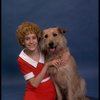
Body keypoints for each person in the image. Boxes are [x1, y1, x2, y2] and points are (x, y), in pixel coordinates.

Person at [16, 22, 68, 100]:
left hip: (50, 88)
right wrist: (46, 65)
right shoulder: (21, 59)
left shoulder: (43, 50)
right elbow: (34, 84)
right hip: (33, 90)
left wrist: (66, 54)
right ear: (22, 41)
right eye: (27, 39)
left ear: (38, 39)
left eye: (34, 38)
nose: (31, 42)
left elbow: (61, 49)